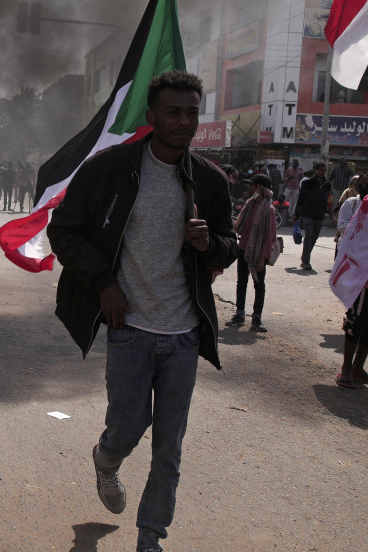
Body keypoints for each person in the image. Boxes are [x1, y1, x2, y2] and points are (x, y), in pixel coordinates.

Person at [47, 70, 237, 552]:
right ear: (151, 117)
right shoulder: (108, 169)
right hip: (128, 328)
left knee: (169, 447)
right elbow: (63, 231)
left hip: (183, 334)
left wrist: (209, 242)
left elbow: (228, 247)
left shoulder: (210, 181)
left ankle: (151, 535)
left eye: (192, 112)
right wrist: (105, 283)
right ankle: (106, 459)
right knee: (128, 428)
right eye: (173, 112)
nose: (184, 121)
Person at [329, 177, 368, 389]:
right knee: (356, 323)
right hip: (367, 277)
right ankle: (345, 369)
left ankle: (358, 368)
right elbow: (357, 233)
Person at [225, 174, 277, 332]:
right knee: (241, 283)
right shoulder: (250, 205)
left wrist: (262, 258)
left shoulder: (269, 210)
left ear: (259, 188)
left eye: (252, 185)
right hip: (243, 249)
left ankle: (256, 319)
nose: (249, 188)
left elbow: (270, 238)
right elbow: (240, 225)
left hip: (258, 254)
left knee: (259, 285)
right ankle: (239, 315)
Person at [293, 162, 332, 271]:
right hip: (307, 213)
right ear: (315, 170)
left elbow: (328, 199)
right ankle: (306, 261)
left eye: (324, 171)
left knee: (314, 238)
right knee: (309, 235)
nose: (322, 172)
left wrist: (328, 210)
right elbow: (300, 198)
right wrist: (297, 213)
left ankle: (304, 257)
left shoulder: (327, 184)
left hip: (319, 214)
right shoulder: (308, 183)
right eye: (321, 170)